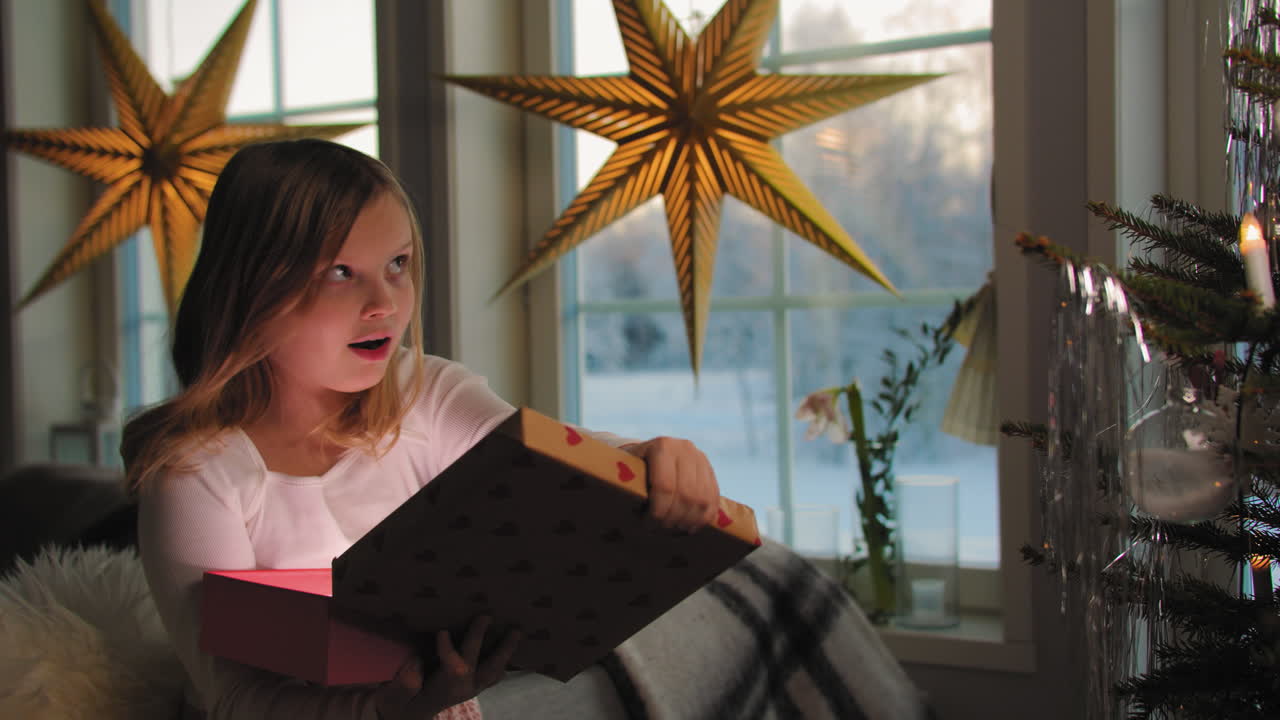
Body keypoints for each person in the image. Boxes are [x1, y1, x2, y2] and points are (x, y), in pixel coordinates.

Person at [123, 139, 721, 720]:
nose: (384, 302)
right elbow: (232, 700)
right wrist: (385, 711)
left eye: (398, 264)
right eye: (340, 272)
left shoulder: (426, 393)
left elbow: (545, 451)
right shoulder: (194, 471)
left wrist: (645, 454)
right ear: (253, 288)